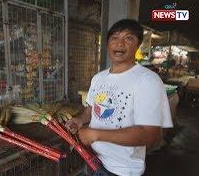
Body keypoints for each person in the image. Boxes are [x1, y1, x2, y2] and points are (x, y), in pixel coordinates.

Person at [66, 19, 173, 176]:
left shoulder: (147, 80)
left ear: (137, 45)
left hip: (122, 170)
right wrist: (81, 120)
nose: (120, 43)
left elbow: (150, 134)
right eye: (115, 37)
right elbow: (91, 108)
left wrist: (96, 134)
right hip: (93, 159)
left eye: (128, 38)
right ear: (108, 43)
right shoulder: (98, 78)